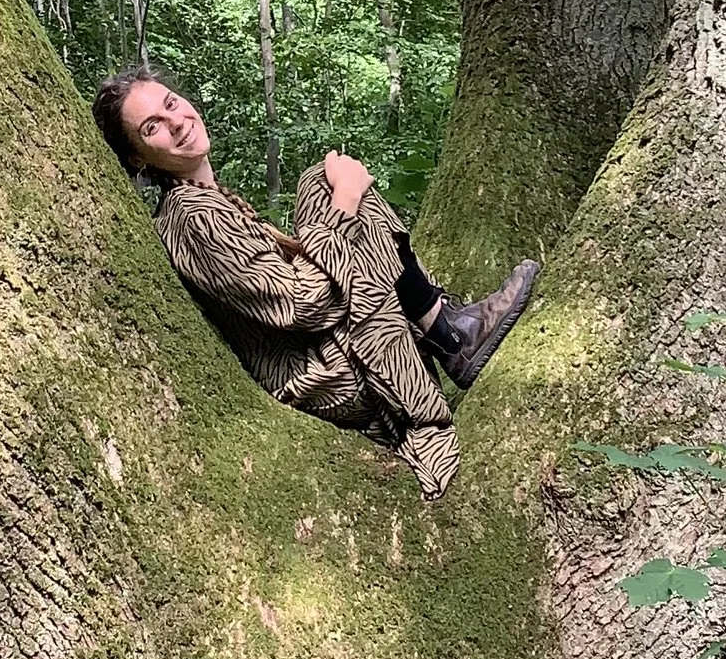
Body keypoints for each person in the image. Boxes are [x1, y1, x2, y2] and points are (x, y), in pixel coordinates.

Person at [92, 66, 538, 499]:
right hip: (329, 373)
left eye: (171, 104)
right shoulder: (194, 216)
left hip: (337, 344)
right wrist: (344, 200)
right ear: (137, 156)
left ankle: (446, 328)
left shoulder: (209, 198)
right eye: (153, 127)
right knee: (337, 192)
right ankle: (442, 353)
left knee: (319, 182)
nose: (177, 123)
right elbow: (303, 304)